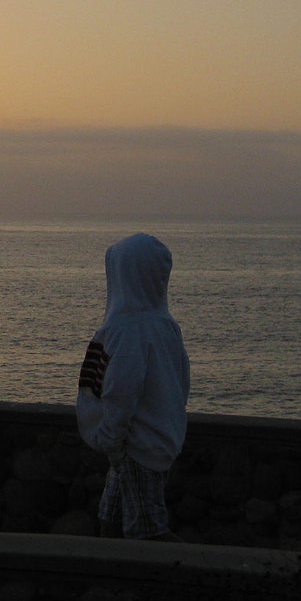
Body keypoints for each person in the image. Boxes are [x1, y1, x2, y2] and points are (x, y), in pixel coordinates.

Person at [75, 232, 190, 541]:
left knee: (147, 534)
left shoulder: (125, 330)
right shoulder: (164, 324)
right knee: (109, 520)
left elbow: (120, 392)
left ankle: (198, 574)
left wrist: (111, 439)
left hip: (136, 446)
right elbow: (183, 381)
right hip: (154, 441)